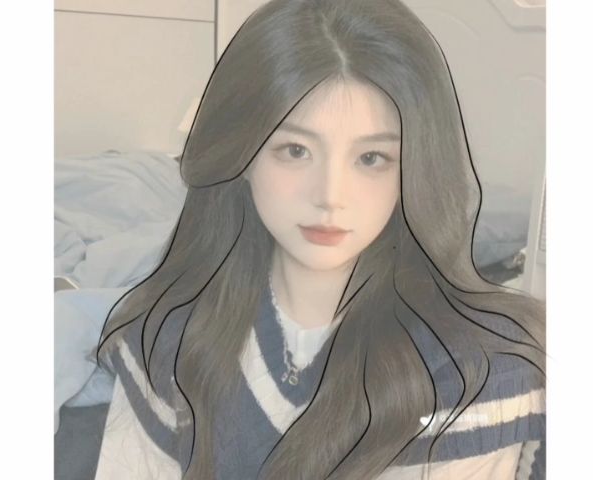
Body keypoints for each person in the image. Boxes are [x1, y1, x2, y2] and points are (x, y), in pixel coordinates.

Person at [94, 0, 546, 478]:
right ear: (242, 155)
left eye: (371, 158)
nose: (330, 196)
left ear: (415, 168)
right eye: (295, 150)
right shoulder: (166, 337)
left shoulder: (478, 369)